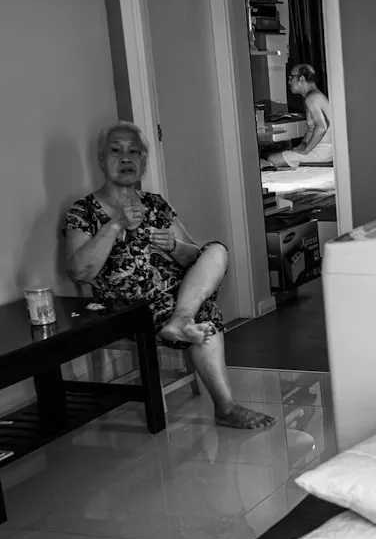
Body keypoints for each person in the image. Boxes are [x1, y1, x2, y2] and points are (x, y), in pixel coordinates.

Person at [63, 120, 276, 430]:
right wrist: (115, 224)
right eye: (116, 151)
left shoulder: (155, 204)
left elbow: (195, 256)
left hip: (176, 296)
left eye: (134, 152)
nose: (126, 158)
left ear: (144, 162)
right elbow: (80, 271)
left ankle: (180, 321)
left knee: (217, 250)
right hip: (126, 308)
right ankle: (225, 406)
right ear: (101, 159)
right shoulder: (82, 211)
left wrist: (175, 246)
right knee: (206, 314)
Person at [261, 63, 333, 170]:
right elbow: (312, 128)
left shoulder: (312, 98)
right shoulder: (313, 96)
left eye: (291, 78)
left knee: (271, 159)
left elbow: (322, 127)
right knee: (273, 156)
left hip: (322, 152)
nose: (289, 81)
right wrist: (303, 144)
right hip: (323, 150)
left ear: (302, 79)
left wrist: (306, 150)